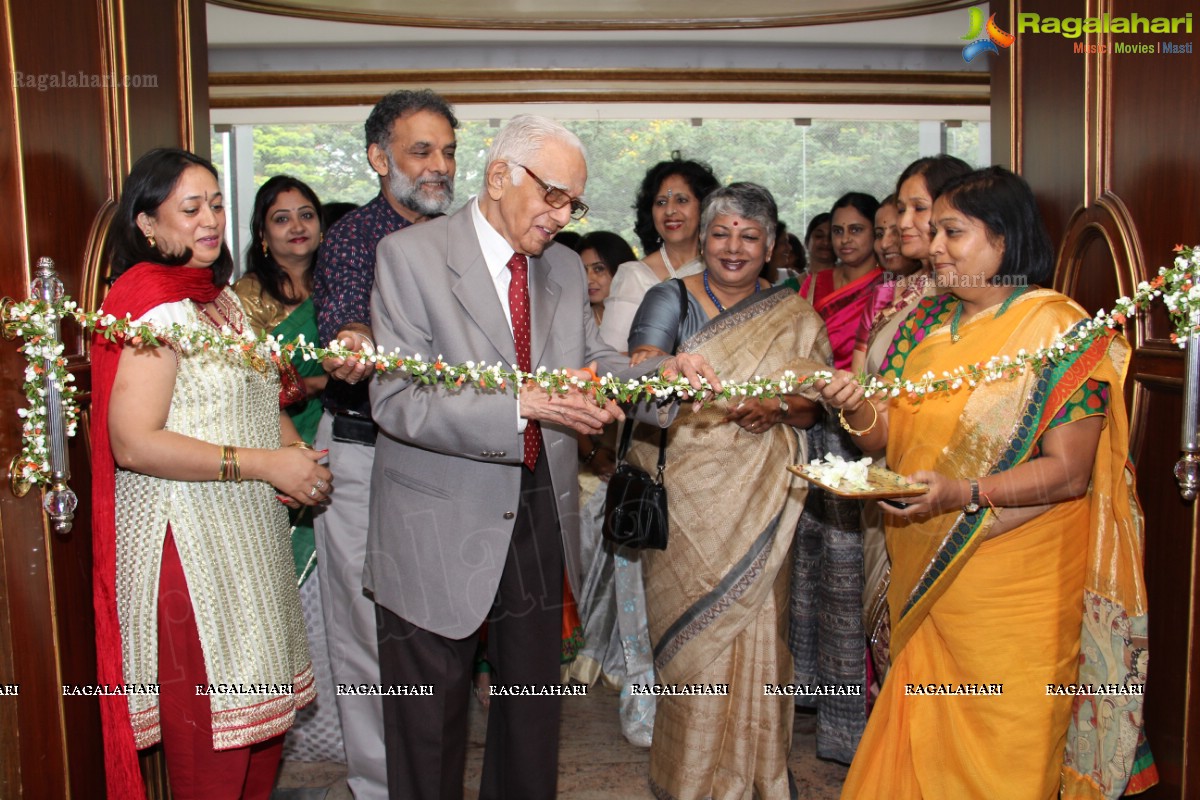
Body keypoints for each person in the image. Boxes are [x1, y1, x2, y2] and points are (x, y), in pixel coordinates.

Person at [365, 114, 719, 800]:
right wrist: (520, 404)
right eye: (554, 196)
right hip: (435, 520)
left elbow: (592, 363)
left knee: (530, 716)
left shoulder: (557, 266)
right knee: (428, 727)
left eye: (574, 204)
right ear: (500, 176)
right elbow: (397, 400)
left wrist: (664, 375)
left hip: (536, 509)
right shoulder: (410, 256)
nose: (562, 216)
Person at [820, 167, 1153, 799]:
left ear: (1002, 239)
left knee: (1004, 744)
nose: (933, 245)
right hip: (929, 571)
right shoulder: (927, 334)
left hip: (1014, 585)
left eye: (951, 232)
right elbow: (883, 440)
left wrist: (961, 494)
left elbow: (1070, 473)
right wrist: (855, 405)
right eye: (932, 230)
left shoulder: (1058, 328)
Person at [91, 148, 328, 800]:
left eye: (217, 204)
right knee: (214, 750)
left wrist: (295, 461)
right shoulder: (148, 306)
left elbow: (265, 397)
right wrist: (263, 463)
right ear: (147, 224)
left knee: (261, 734)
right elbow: (134, 443)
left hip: (248, 539)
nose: (209, 220)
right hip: (188, 552)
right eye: (190, 208)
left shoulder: (225, 303)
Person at [628, 183, 828, 799]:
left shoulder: (793, 313)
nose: (733, 248)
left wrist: (775, 405)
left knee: (760, 629)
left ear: (769, 246)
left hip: (765, 498)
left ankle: (756, 777)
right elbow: (639, 378)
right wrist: (687, 386)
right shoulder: (669, 298)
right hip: (687, 498)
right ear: (703, 238)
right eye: (721, 233)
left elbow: (815, 405)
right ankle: (687, 780)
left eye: (749, 236)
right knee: (694, 641)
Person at [310, 88, 458, 800]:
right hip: (364, 455)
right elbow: (346, 319)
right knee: (366, 633)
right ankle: (378, 785)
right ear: (379, 158)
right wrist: (353, 343)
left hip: (451, 464)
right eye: (420, 151)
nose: (439, 167)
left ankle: (432, 777)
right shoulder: (351, 238)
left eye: (449, 151)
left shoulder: (467, 240)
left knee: (441, 633)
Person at [233, 175, 345, 764]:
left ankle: (353, 725)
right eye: (282, 218)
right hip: (282, 450)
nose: (297, 226)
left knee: (345, 594)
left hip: (350, 445)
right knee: (292, 595)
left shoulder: (341, 287)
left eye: (307, 214)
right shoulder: (245, 299)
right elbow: (246, 385)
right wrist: (319, 378)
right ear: (262, 232)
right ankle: (299, 737)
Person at [851, 157, 972, 691]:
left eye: (919, 209)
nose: (902, 222)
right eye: (901, 207)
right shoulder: (902, 292)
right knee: (885, 632)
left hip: (938, 489)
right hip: (882, 473)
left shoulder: (965, 303)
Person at [598, 154, 720, 351]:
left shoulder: (723, 270)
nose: (670, 211)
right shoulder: (634, 276)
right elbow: (609, 357)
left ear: (705, 207)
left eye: (681, 200)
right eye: (661, 202)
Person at [800, 192, 884, 370]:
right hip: (814, 388)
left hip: (868, 389)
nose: (845, 239)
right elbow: (796, 342)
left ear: (876, 233)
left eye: (856, 230)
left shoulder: (889, 285)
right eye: (838, 231)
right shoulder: (815, 284)